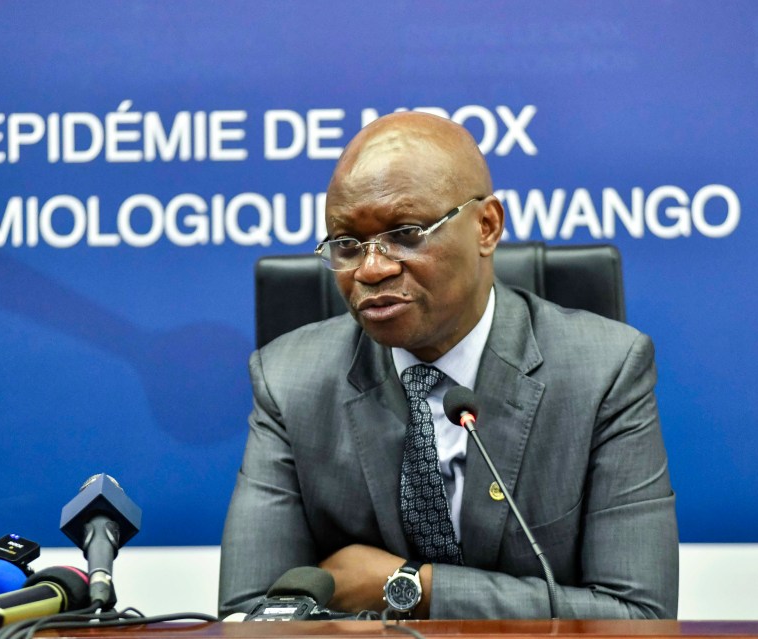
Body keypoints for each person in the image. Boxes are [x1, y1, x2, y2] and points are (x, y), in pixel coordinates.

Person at [219, 112, 678, 619]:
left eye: (407, 233)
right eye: (347, 245)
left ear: (487, 226)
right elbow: (251, 617)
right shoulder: (288, 380)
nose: (372, 268)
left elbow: (640, 618)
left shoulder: (604, 372)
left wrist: (412, 587)